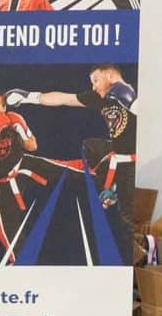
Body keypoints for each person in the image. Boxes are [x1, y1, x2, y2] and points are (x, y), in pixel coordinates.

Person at [8, 64, 137, 247]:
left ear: (109, 74)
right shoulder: (98, 98)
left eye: (96, 80)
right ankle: (107, 184)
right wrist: (29, 97)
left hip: (133, 162)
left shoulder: (134, 92)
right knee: (90, 146)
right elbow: (64, 98)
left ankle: (148, 253)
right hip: (117, 157)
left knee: (129, 220)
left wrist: (133, 102)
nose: (94, 87)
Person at [0, 89, 60, 263]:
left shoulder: (12, 120)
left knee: (62, 169)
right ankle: (22, 264)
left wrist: (22, 130)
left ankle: (99, 174)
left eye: (4, 106)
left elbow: (32, 146)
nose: (1, 109)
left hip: (23, 165)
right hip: (4, 181)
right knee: (8, 229)